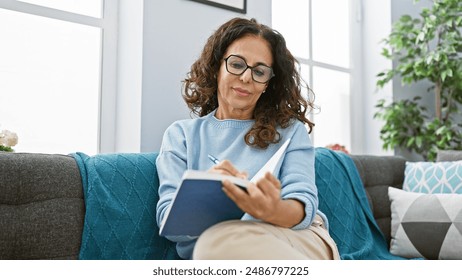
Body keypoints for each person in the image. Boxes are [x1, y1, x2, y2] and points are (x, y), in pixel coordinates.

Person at [155, 17, 339, 260]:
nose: (246, 78)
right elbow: (169, 223)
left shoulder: (290, 131)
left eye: (259, 71)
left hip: (296, 237)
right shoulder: (181, 135)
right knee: (216, 243)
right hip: (219, 249)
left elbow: (302, 204)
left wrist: (271, 209)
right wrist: (203, 195)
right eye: (237, 64)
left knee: (217, 244)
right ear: (216, 67)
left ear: (268, 83)